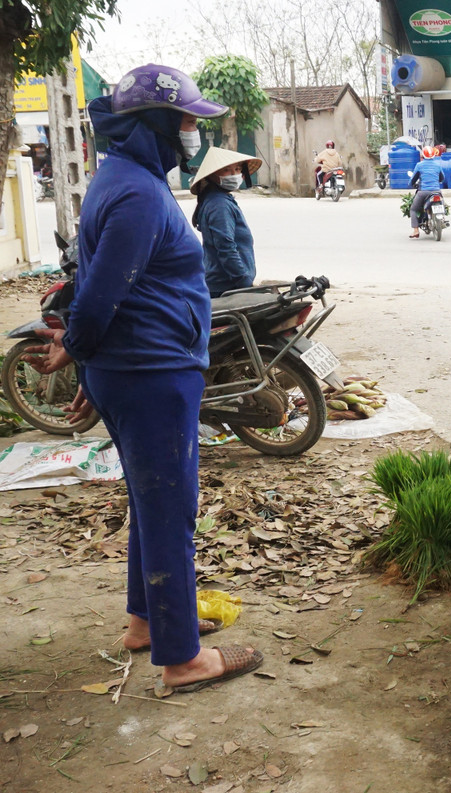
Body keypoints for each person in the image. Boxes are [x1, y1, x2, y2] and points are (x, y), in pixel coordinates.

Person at [24, 64, 263, 693]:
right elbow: (100, 295)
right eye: (185, 120)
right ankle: (182, 660)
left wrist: (92, 363)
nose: (192, 131)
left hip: (137, 368)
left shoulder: (125, 178)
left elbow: (106, 285)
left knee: (151, 500)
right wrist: (77, 351)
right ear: (156, 123)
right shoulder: (137, 194)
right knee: (170, 510)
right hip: (152, 373)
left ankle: (146, 622)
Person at [190, 147, 260, 297]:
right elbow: (225, 247)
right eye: (226, 170)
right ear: (212, 175)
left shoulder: (219, 198)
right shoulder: (219, 204)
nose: (234, 175)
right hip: (226, 286)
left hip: (224, 284)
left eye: (237, 169)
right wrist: (244, 281)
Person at [408, 145, 446, 240]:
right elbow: (442, 178)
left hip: (423, 192)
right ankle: (443, 219)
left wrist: (411, 184)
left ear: (423, 156)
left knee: (413, 209)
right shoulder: (438, 165)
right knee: (443, 205)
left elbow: (413, 179)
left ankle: (416, 231)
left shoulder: (419, 165)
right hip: (436, 191)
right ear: (433, 155)